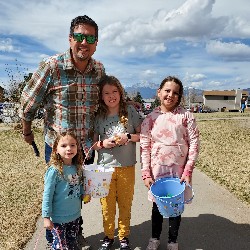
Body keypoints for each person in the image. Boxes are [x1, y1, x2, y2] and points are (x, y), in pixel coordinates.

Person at [20, 15, 102, 246]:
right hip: (58, 147)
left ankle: (75, 232)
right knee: (57, 192)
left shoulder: (98, 69)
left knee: (76, 193)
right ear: (70, 39)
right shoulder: (52, 66)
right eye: (79, 36)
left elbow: (104, 102)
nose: (84, 42)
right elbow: (29, 102)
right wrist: (27, 132)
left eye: (89, 38)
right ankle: (53, 239)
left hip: (85, 148)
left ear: (96, 42)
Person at [140, 76, 200, 250]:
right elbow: (145, 147)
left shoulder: (186, 116)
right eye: (167, 91)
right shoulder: (150, 118)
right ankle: (154, 238)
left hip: (179, 172)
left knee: (176, 207)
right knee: (157, 207)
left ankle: (173, 241)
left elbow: (194, 144)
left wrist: (188, 170)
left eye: (175, 92)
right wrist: (146, 172)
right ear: (159, 92)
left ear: (179, 96)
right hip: (157, 171)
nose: (170, 95)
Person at [92, 75, 143, 250]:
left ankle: (123, 237)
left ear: (120, 93)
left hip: (127, 167)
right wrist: (102, 144)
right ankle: (108, 236)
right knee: (107, 206)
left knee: (125, 204)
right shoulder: (98, 116)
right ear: (101, 96)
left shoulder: (130, 112)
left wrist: (128, 137)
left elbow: (142, 136)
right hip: (104, 169)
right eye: (106, 93)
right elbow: (92, 144)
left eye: (114, 91)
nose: (111, 96)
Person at [42, 131, 90, 250]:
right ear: (56, 149)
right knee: (60, 247)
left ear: (77, 147)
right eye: (64, 146)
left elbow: (79, 186)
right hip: (58, 219)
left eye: (73, 145)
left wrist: (84, 194)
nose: (69, 148)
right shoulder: (54, 171)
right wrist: (46, 217)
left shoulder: (77, 167)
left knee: (73, 244)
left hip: (74, 216)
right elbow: (47, 195)